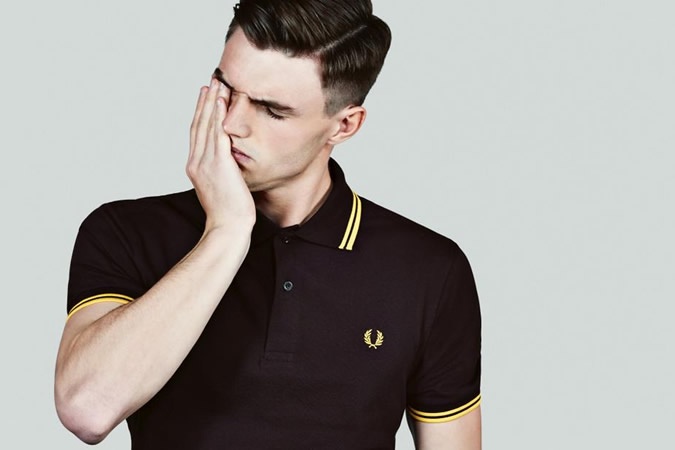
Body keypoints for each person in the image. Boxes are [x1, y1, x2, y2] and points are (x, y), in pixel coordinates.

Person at [54, 0, 482, 448]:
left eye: (272, 110)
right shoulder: (127, 232)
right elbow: (87, 409)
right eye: (226, 89)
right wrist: (226, 231)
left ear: (344, 125)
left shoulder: (429, 270)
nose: (231, 123)